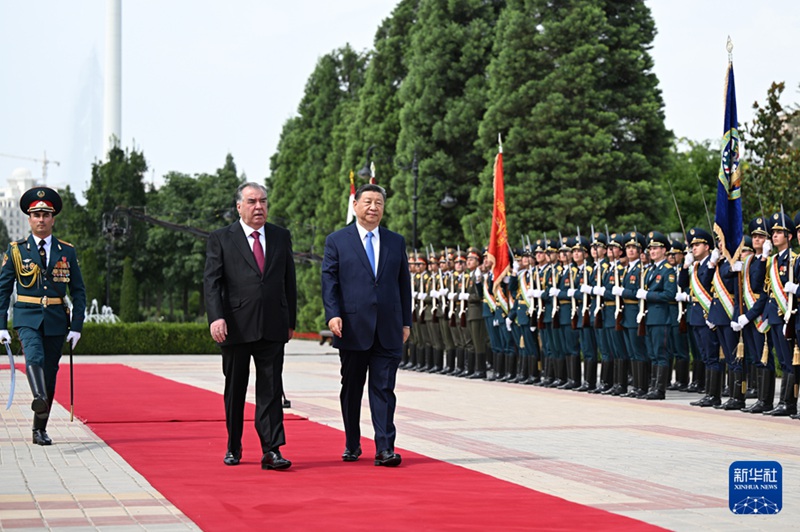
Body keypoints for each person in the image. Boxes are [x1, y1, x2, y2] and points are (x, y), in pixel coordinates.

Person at [204, 182, 297, 470]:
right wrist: (216, 317)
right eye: (252, 201)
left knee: (270, 388)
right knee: (236, 388)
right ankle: (234, 445)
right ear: (239, 206)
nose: (259, 207)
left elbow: (288, 281)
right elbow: (212, 282)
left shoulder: (281, 236)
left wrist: (290, 320)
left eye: (263, 201)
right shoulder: (221, 238)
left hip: (272, 325)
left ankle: (272, 450)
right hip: (235, 326)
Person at [321, 183, 412, 467]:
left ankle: (385, 447)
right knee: (352, 388)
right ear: (356, 205)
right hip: (352, 326)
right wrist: (333, 313)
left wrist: (406, 321)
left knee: (384, 388)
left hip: (389, 327)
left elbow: (403, 283)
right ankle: (352, 442)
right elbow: (330, 281)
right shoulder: (337, 240)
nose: (374, 207)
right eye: (368, 202)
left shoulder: (395, 241)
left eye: (379, 203)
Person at [0, 187, 86, 446]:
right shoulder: (17, 250)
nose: (41, 219)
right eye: (36, 214)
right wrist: (1, 324)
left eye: (45, 215)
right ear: (29, 219)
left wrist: (77, 326)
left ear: (53, 219)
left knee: (50, 373)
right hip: (27, 317)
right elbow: (3, 290)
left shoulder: (66, 251)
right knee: (34, 356)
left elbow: (79, 291)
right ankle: (38, 395)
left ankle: (40, 429)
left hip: (57, 319)